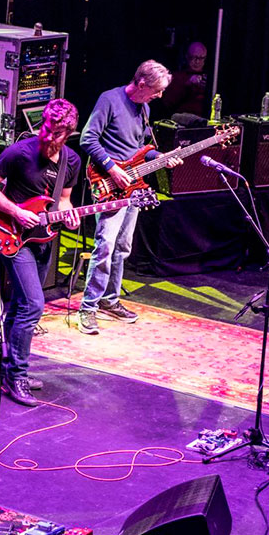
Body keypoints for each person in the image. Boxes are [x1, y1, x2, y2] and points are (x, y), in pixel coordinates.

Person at [0, 99, 81, 407]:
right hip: (11, 235)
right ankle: (17, 375)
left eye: (57, 133)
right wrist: (16, 212)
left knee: (21, 304)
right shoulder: (19, 153)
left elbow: (63, 200)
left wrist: (70, 214)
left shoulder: (71, 162)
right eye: (47, 128)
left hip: (42, 239)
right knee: (34, 306)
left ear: (69, 134)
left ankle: (9, 369)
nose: (48, 137)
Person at [78, 60, 181, 335]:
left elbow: (139, 149)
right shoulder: (109, 100)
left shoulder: (144, 108)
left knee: (123, 246)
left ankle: (109, 300)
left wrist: (159, 158)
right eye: (157, 90)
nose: (159, 96)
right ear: (142, 84)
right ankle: (88, 307)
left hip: (133, 185)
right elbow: (87, 139)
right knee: (105, 246)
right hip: (109, 182)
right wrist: (112, 168)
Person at [161, 42, 209, 117]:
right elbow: (167, 103)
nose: (197, 62)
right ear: (187, 57)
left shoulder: (208, 77)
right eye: (194, 57)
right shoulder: (176, 77)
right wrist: (187, 85)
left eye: (201, 58)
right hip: (182, 120)